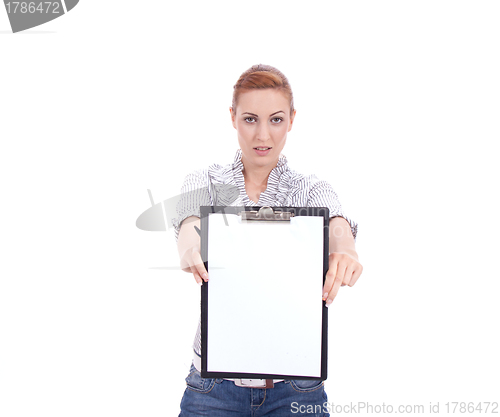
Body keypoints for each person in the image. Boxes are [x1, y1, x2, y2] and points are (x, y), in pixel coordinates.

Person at [173, 64, 363, 416]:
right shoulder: (208, 182)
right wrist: (188, 242)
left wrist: (346, 250)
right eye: (250, 119)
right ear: (232, 117)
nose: (263, 135)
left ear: (291, 120)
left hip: (294, 389)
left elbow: (337, 223)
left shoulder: (309, 189)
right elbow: (187, 218)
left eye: (275, 120)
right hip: (213, 389)